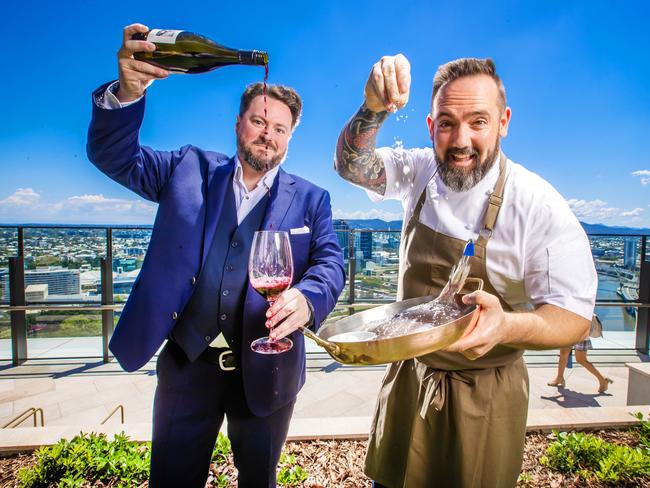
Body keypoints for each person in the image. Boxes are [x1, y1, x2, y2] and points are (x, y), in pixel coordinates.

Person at [87, 23, 345, 488]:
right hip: (187, 366)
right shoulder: (187, 167)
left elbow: (331, 263)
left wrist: (307, 298)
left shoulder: (312, 200)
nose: (268, 134)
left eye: (280, 128)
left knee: (258, 481)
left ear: (291, 138)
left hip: (268, 370)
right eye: (259, 121)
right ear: (238, 124)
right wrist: (127, 92)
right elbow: (114, 157)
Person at [334, 54, 598, 487]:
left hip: (486, 394)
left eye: (478, 121)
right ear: (430, 126)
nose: (460, 140)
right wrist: (373, 108)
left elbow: (573, 318)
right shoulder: (420, 171)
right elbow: (352, 166)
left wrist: (505, 327)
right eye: (447, 122)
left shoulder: (537, 203)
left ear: (503, 121)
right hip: (409, 379)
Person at [548, 316, 613, 393]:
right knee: (563, 354)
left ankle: (602, 380)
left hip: (580, 330)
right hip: (569, 329)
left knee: (581, 360)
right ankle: (559, 378)